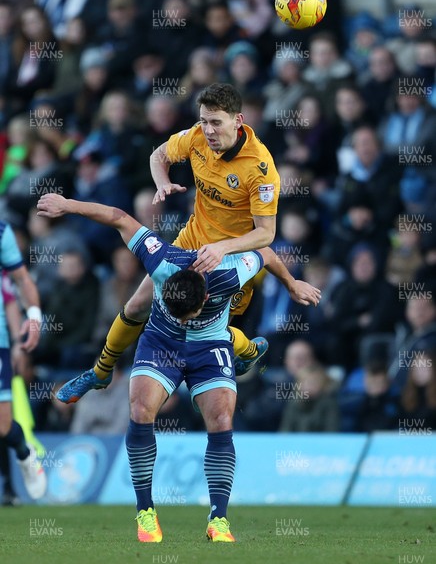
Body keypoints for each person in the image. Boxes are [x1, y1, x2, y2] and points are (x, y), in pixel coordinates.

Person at [36, 191, 317, 542]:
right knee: (139, 410)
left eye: (191, 315)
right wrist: (69, 205)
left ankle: (219, 519)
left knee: (222, 419)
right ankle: (146, 513)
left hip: (208, 347)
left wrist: (291, 285)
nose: (187, 319)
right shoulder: (162, 260)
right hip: (161, 344)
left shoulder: (229, 273)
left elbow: (267, 253)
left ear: (203, 299)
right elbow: (117, 215)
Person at [73, 83, 321, 400]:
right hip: (190, 241)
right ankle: (100, 372)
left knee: (204, 329)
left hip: (230, 255)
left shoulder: (261, 170)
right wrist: (162, 183)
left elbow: (265, 235)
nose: (208, 129)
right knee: (137, 304)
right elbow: (158, 155)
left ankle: (246, 351)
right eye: (204, 120)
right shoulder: (196, 137)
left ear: (238, 120)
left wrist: (224, 249)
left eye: (216, 122)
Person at [0, 220, 46, 501]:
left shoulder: (2, 232)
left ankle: (24, 452)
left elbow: (20, 280)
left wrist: (35, 318)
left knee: (3, 425)